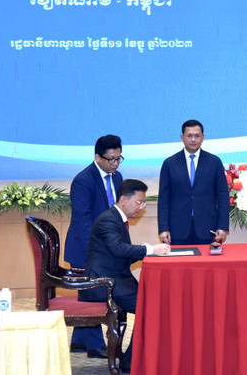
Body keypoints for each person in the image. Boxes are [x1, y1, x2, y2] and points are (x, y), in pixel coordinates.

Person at [81, 179, 170, 373]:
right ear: (123, 200)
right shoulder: (108, 219)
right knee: (151, 307)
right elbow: (117, 249)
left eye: (143, 203)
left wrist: (145, 251)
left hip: (116, 279)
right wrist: (149, 249)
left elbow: (120, 253)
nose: (141, 207)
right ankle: (131, 361)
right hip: (102, 283)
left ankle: (134, 357)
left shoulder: (116, 218)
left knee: (154, 302)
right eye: (139, 202)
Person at [63, 134, 123, 358]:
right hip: (85, 248)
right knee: (95, 295)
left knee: (93, 291)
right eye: (111, 159)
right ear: (97, 157)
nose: (115, 164)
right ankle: (95, 346)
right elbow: (82, 220)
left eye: (119, 158)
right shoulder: (83, 180)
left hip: (106, 246)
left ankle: (79, 341)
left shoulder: (117, 178)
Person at [158, 119, 230, 245]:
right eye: (189, 136)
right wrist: (164, 228)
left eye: (197, 136)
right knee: (179, 264)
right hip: (177, 229)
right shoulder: (169, 163)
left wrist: (223, 226)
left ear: (203, 137)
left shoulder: (214, 162)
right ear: (182, 137)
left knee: (206, 265)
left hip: (208, 229)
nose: (193, 139)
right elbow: (164, 199)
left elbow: (223, 196)